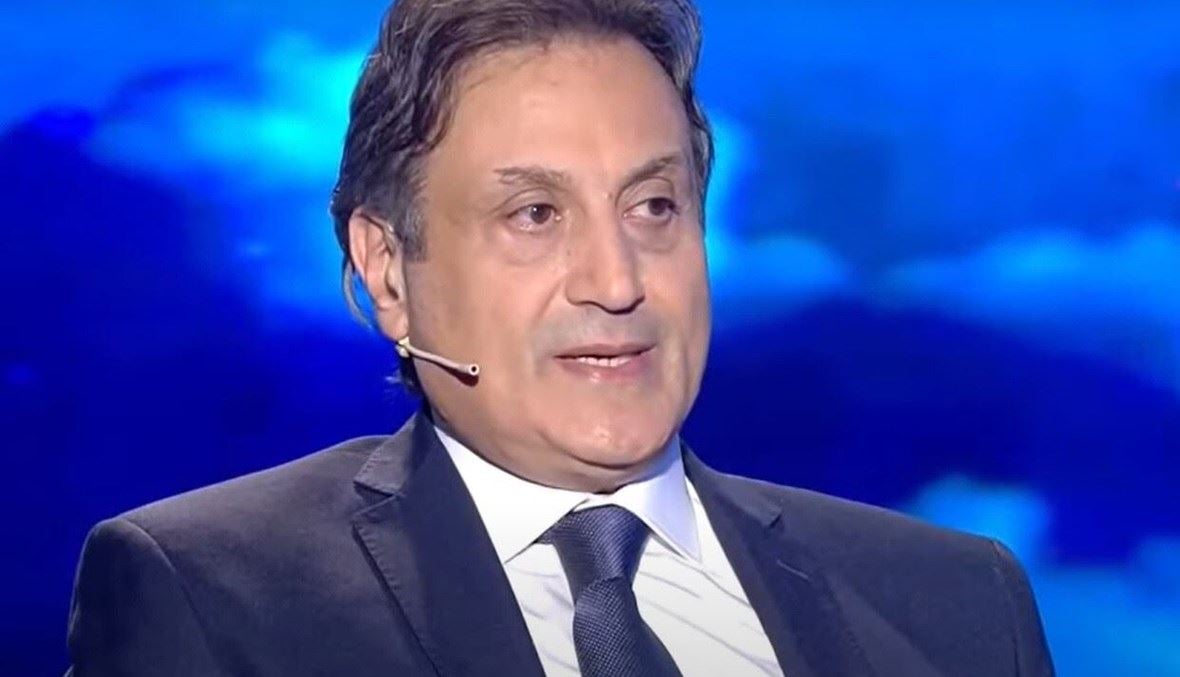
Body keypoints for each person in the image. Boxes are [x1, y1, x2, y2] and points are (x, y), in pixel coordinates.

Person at [65, 0, 1055, 675]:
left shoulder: (961, 603)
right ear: (387, 271)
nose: (617, 282)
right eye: (534, 214)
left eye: (654, 206)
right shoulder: (207, 595)